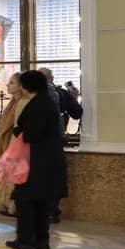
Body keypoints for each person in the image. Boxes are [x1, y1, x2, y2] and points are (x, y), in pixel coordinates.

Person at [5, 70, 66, 249]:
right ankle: (42, 248)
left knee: (25, 207)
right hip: (48, 165)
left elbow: (32, 134)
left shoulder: (37, 106)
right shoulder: (47, 102)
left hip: (34, 166)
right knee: (41, 208)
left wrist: (19, 129)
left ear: (26, 86)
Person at [40, 67, 82, 222]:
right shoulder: (61, 94)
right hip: (55, 142)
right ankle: (52, 211)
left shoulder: (30, 94)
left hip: (35, 143)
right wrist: (74, 97)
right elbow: (77, 113)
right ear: (52, 78)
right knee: (54, 176)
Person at [0, 73, 23, 215]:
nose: (8, 85)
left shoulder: (21, 103)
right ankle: (6, 204)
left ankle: (14, 206)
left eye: (12, 83)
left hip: (15, 144)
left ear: (20, 86)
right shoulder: (12, 103)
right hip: (7, 143)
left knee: (13, 176)